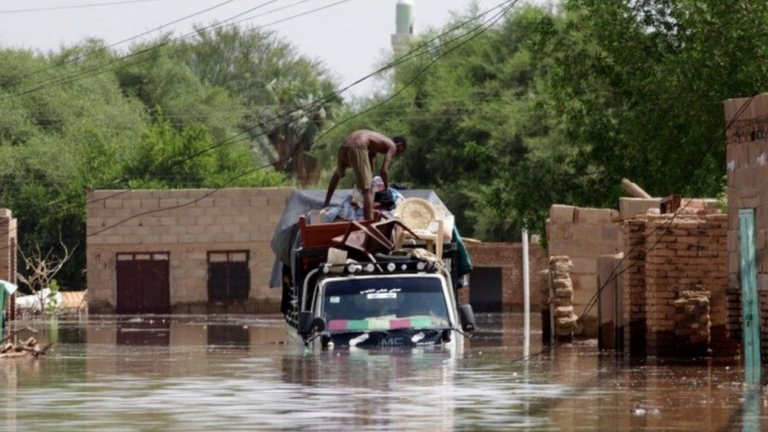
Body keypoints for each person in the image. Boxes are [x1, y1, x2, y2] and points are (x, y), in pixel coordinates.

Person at [323, 130, 407, 220]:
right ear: (399, 145)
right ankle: (369, 223)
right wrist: (386, 188)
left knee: (338, 172)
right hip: (357, 146)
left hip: (345, 145)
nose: (397, 154)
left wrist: (369, 177)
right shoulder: (392, 146)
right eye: (400, 152)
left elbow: (371, 158)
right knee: (368, 190)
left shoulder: (378, 141)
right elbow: (384, 170)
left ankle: (326, 205)